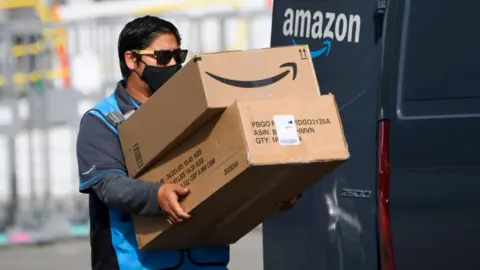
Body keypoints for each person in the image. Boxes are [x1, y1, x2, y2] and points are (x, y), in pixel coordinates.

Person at [76, 15, 299, 270]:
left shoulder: (198, 110)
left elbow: (224, 170)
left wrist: (270, 189)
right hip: (137, 264)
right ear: (131, 60)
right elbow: (110, 186)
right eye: (162, 57)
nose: (172, 64)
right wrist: (156, 196)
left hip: (206, 262)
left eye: (178, 56)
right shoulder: (103, 120)